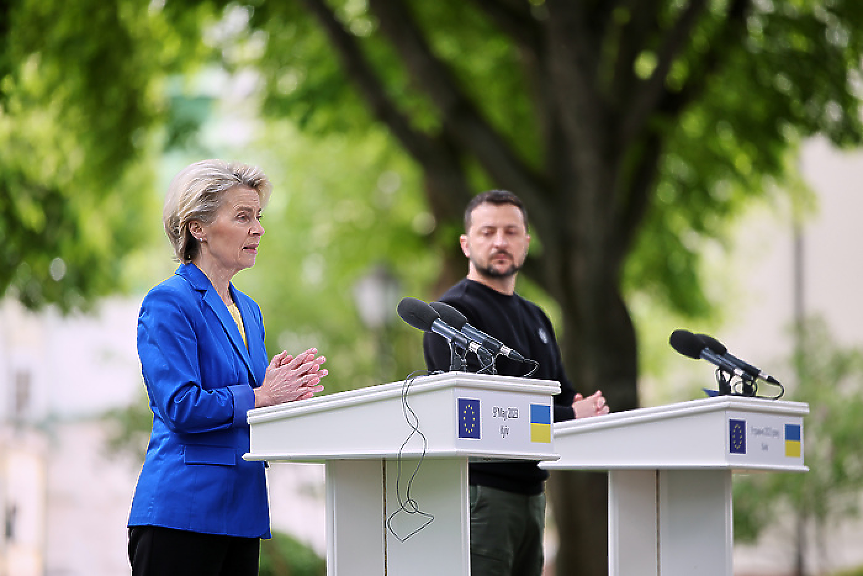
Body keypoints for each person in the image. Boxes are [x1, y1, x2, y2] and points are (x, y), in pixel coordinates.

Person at [127, 159, 328, 576]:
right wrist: (262, 394)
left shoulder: (250, 311)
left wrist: (287, 395)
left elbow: (249, 408)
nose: (258, 229)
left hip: (243, 513)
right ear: (197, 227)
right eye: (242, 217)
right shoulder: (169, 302)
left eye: (258, 217)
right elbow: (180, 406)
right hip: (182, 514)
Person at [423, 189, 609, 576]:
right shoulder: (453, 316)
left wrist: (583, 408)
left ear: (526, 242)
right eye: (487, 231)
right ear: (465, 243)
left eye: (511, 232)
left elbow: (558, 386)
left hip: (533, 493)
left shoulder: (536, 316)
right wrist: (571, 414)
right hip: (482, 493)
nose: (499, 241)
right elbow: (479, 411)